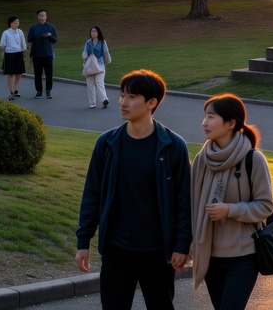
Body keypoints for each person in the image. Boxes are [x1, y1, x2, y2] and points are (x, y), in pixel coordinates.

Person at [75, 70, 192, 310]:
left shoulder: (173, 146)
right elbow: (92, 194)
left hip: (158, 253)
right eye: (122, 95)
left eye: (131, 96)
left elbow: (184, 200)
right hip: (116, 251)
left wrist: (182, 244)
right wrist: (83, 240)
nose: (123, 102)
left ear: (152, 103)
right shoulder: (107, 144)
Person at [190, 94, 273, 310]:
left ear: (231, 123)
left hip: (243, 256)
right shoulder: (202, 159)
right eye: (204, 117)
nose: (204, 123)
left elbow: (265, 205)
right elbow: (191, 204)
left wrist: (230, 210)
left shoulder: (252, 159)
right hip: (210, 256)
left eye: (211, 117)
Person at [27, 9, 58, 99]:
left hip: (48, 54)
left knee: (49, 73)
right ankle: (39, 91)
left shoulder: (51, 27)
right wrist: (29, 53)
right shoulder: (33, 28)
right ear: (38, 17)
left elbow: (54, 40)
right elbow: (30, 41)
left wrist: (49, 36)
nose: (43, 17)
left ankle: (48, 90)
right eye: (41, 15)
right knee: (38, 73)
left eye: (44, 15)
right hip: (36, 54)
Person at [83, 26, 111, 109]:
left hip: (100, 64)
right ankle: (92, 103)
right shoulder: (88, 43)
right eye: (92, 31)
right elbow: (85, 53)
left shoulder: (102, 42)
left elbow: (106, 53)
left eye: (95, 31)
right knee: (90, 84)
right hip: (90, 65)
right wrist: (84, 63)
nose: (93, 33)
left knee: (99, 82)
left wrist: (106, 62)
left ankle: (104, 100)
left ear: (98, 33)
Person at [0, 15, 27, 100]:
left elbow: (23, 42)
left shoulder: (20, 32)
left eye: (17, 22)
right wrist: (9, 48)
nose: (16, 24)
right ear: (10, 24)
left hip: (18, 53)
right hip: (9, 54)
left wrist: (23, 49)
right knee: (10, 73)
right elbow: (2, 44)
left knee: (18, 73)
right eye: (14, 22)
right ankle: (11, 91)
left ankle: (14, 88)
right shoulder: (6, 33)